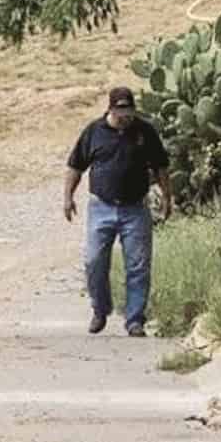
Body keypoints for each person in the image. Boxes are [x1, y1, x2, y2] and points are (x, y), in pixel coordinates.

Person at [63, 86, 173, 336]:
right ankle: (100, 309)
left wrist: (168, 197)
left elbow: (161, 166)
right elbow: (75, 166)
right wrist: (68, 197)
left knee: (138, 265)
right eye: (120, 112)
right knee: (94, 261)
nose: (125, 117)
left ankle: (134, 319)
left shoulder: (145, 131)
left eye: (129, 112)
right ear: (110, 109)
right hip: (101, 207)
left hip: (135, 209)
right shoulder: (94, 132)